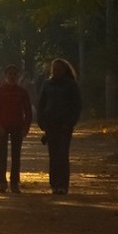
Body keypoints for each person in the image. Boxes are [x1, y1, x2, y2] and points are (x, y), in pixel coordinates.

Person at [37, 58, 82, 195]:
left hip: (64, 124)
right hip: (50, 124)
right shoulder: (47, 84)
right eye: (54, 69)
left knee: (62, 154)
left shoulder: (71, 85)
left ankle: (62, 184)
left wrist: (71, 122)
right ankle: (54, 183)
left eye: (59, 69)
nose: (56, 72)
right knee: (53, 154)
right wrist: (41, 122)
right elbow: (42, 103)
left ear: (64, 70)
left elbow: (77, 105)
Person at [0, 65, 33, 193]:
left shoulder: (22, 92)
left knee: (16, 156)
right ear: (5, 76)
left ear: (18, 76)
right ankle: (2, 182)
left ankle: (14, 182)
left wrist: (25, 128)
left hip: (17, 126)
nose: (12, 77)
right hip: (2, 126)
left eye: (14, 74)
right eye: (10, 74)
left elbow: (28, 112)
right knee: (2, 155)